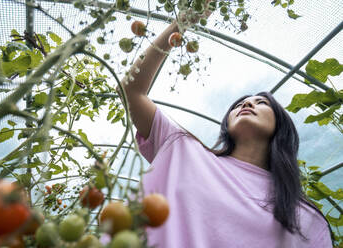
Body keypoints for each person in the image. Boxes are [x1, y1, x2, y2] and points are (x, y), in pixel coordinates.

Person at [118, 18, 334, 248]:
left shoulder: (306, 218)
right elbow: (131, 90)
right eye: (237, 105)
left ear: (281, 125)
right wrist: (181, 23)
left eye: (261, 103)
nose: (246, 105)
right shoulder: (186, 150)